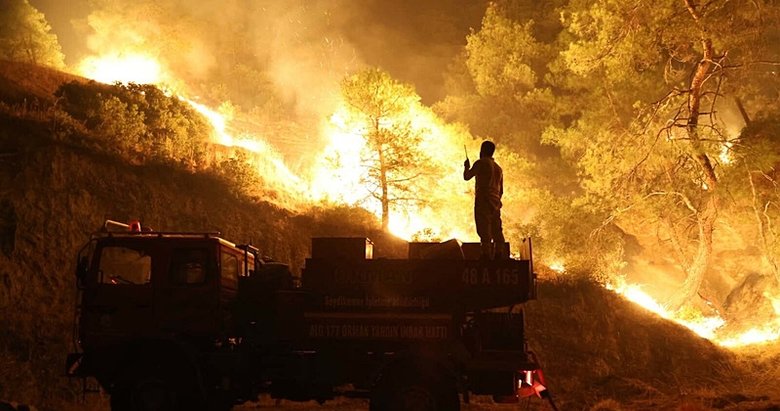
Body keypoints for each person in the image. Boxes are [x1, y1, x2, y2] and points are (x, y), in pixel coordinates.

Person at [463, 140, 507, 260]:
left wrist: (466, 167)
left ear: (482, 151)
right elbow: (501, 189)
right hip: (496, 201)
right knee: (496, 229)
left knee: (484, 229)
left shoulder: (480, 163)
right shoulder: (499, 168)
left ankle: (486, 255)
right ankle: (499, 254)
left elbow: (467, 177)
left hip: (483, 200)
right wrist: (496, 201)